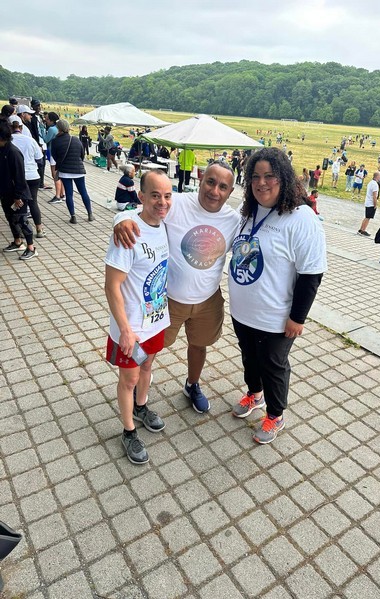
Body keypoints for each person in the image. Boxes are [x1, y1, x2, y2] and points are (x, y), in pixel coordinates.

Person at [113, 161, 240, 413]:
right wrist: (121, 218)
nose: (215, 191)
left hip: (208, 299)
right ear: (201, 179)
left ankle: (192, 385)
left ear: (230, 192)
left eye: (223, 187)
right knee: (150, 349)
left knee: (199, 345)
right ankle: (139, 387)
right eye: (210, 182)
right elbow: (143, 210)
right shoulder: (178, 203)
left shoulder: (233, 220)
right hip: (168, 298)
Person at [229, 147, 326, 444]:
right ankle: (254, 395)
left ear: (284, 178)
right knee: (250, 358)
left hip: (275, 316)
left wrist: (298, 317)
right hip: (242, 310)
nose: (262, 183)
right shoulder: (248, 211)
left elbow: (312, 273)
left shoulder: (301, 218)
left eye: (270, 176)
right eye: (255, 177)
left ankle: (275, 414)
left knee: (273, 365)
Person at [105, 170, 171, 464]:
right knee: (129, 379)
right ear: (141, 196)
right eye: (155, 195)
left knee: (147, 367)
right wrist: (125, 330)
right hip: (131, 326)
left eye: (167, 196)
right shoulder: (128, 233)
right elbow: (112, 286)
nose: (162, 202)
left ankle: (141, 407)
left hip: (156, 320)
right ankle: (128, 430)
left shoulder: (165, 225)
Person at [0, 120, 38, 260]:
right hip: (5, 192)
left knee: (22, 220)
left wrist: (18, 196)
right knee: (10, 218)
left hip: (18, 194)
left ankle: (31, 248)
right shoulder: (2, 150)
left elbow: (20, 177)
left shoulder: (13, 153)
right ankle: (17, 242)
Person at [50, 119, 94, 224]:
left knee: (69, 194)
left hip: (64, 170)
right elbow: (82, 154)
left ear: (58, 128)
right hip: (78, 169)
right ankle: (90, 214)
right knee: (83, 192)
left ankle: (73, 216)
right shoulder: (75, 139)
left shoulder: (55, 141)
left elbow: (55, 156)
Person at [10, 116, 46, 238]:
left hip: (16, 177)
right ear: (21, 127)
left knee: (19, 204)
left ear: (10, 127)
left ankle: (20, 230)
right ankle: (39, 229)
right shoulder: (30, 140)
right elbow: (40, 159)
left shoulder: (8, 141)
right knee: (33, 202)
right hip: (32, 175)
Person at [39, 111, 64, 203]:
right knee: (60, 174)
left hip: (52, 152)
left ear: (51, 120)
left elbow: (46, 139)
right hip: (60, 152)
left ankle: (57, 196)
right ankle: (62, 193)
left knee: (55, 174)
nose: (46, 120)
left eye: (47, 119)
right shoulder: (59, 128)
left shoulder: (52, 129)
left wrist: (42, 129)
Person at [358, 171, 380, 236]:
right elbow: (374, 196)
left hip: (368, 201)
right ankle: (363, 230)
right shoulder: (375, 185)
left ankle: (361, 229)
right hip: (371, 203)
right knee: (368, 217)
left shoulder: (371, 183)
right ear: (377, 176)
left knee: (366, 217)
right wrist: (375, 204)